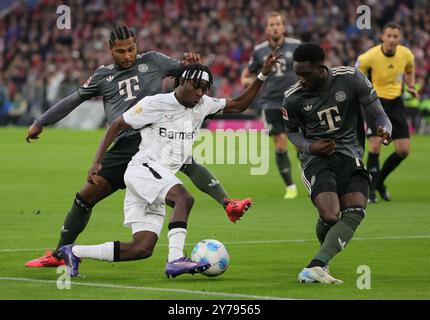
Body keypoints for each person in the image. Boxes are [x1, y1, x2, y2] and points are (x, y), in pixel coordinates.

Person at [25, 26, 251, 268]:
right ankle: (60, 254)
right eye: (121, 51)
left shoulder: (154, 60)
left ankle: (227, 204)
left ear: (137, 45)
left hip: (152, 136)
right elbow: (74, 99)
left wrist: (190, 62)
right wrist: (41, 121)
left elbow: (188, 78)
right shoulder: (102, 76)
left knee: (185, 160)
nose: (128, 56)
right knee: (84, 198)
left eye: (131, 49)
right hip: (124, 144)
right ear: (111, 50)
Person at [60, 50, 281, 278]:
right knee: (184, 198)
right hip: (143, 170)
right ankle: (175, 260)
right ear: (183, 80)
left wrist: (262, 75)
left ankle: (73, 252)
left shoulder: (203, 105)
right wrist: (96, 162)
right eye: (195, 87)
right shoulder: (154, 103)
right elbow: (117, 125)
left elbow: (239, 104)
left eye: (204, 89)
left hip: (159, 179)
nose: (199, 93)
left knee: (141, 248)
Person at [283, 43, 392, 284]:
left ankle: (317, 265)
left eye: (305, 73)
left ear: (321, 67)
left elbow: (379, 114)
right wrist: (311, 147)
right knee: (331, 215)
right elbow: (292, 132)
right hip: (316, 159)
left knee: (355, 210)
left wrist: (386, 128)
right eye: (296, 73)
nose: (300, 79)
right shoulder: (292, 97)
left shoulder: (351, 79)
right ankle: (321, 259)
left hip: (350, 154)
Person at [356, 22, 418, 203]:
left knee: (404, 150)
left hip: (396, 103)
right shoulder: (370, 56)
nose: (392, 40)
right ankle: (371, 191)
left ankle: (380, 182)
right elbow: (356, 75)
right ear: (382, 37)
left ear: (400, 38)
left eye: (395, 36)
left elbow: (410, 69)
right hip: (375, 103)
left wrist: (411, 85)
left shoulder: (406, 54)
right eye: (388, 36)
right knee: (375, 145)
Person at [241, 11, 300, 199]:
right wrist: (248, 81)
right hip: (271, 103)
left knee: (302, 144)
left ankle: (309, 176)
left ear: (283, 27)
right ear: (267, 29)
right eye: (271, 25)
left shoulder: (296, 46)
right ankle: (290, 186)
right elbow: (247, 73)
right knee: (281, 144)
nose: (275, 27)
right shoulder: (259, 51)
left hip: (296, 101)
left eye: (278, 24)